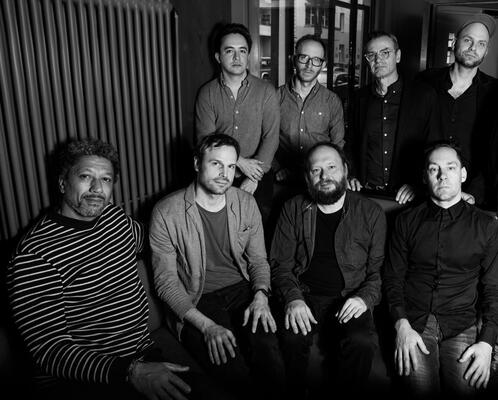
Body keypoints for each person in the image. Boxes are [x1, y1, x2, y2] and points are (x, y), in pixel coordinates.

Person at [6, 139, 208, 400]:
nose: (96, 188)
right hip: (84, 379)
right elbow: (50, 350)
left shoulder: (113, 218)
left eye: (106, 179)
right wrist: (131, 371)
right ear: (62, 183)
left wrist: (196, 206)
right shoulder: (35, 254)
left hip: (141, 354)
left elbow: (155, 239)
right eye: (85, 177)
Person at [149, 133, 284, 400]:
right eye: (216, 164)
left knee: (269, 353)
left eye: (231, 166)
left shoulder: (246, 203)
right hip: (197, 297)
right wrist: (206, 326)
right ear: (197, 163)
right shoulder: (166, 212)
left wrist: (261, 296)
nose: (225, 174)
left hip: (242, 288)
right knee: (231, 368)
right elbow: (165, 282)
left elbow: (258, 260)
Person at [270, 142, 386, 398]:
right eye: (316, 170)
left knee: (362, 342)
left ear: (345, 170)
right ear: (307, 177)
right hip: (304, 295)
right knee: (290, 338)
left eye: (332, 167)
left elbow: (377, 272)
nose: (324, 176)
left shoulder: (371, 213)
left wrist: (364, 298)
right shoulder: (292, 208)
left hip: (350, 298)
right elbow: (280, 265)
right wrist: (293, 298)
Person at [383, 141, 498, 399]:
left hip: (461, 324)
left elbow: (493, 288)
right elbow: (392, 279)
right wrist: (401, 325)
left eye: (451, 167)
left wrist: (486, 343)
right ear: (425, 176)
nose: (443, 175)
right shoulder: (405, 221)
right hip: (414, 323)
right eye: (434, 169)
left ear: (463, 174)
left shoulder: (486, 226)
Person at [195, 23, 279, 223]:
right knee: (220, 225)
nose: (237, 57)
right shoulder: (207, 93)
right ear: (218, 57)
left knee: (256, 226)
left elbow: (271, 137)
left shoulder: (266, 91)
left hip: (258, 172)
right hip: (218, 170)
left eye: (242, 51)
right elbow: (205, 139)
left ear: (248, 55)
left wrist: (253, 177)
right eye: (229, 51)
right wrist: (239, 162)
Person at [346, 31, 440, 205]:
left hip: (408, 196)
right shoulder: (359, 99)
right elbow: (351, 143)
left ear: (398, 56)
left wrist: (418, 184)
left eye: (385, 52)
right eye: (371, 55)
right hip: (367, 193)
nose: (378, 59)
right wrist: (350, 175)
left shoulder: (424, 96)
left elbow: (434, 145)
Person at [417, 14, 497, 208]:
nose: (473, 48)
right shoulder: (424, 81)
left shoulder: (495, 92)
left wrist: (474, 194)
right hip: (424, 192)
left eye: (481, 44)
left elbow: (494, 151)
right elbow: (410, 137)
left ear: (486, 51)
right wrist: (413, 182)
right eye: (468, 40)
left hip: (473, 199)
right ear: (454, 42)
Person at [274, 34, 344, 196]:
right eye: (303, 58)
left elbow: (338, 144)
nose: (309, 65)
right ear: (294, 59)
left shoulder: (332, 101)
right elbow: (266, 137)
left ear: (323, 64)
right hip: (283, 180)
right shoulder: (275, 97)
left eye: (316, 60)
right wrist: (277, 168)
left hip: (320, 182)